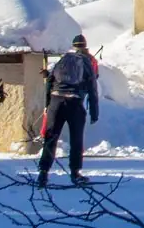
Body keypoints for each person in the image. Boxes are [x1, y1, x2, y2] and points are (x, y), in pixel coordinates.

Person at [38, 33, 100, 187]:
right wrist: (94, 111)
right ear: (85, 46)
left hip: (55, 101)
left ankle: (43, 174)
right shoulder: (86, 61)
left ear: (72, 46)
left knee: (51, 138)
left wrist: (48, 105)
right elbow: (92, 88)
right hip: (74, 102)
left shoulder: (62, 60)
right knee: (76, 139)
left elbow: (49, 82)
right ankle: (75, 173)